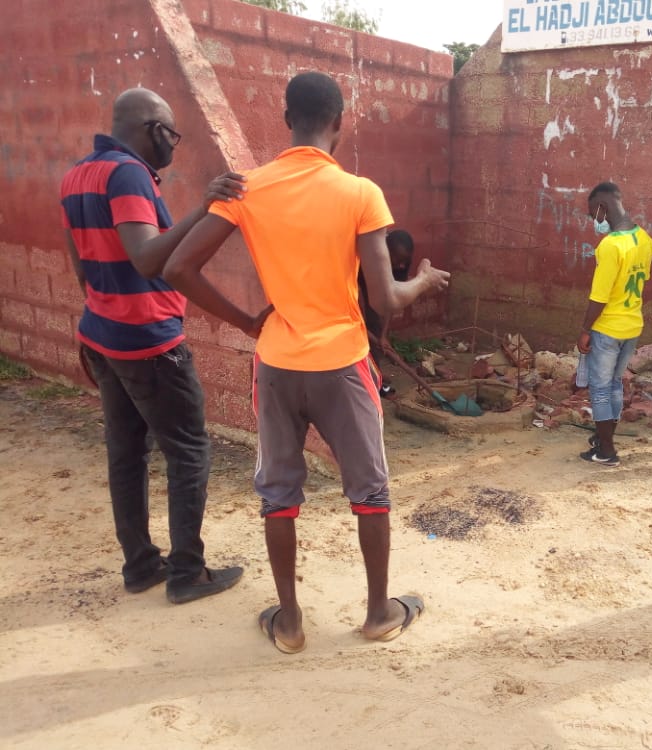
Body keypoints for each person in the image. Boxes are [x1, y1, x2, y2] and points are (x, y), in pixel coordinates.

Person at [164, 71, 450, 652]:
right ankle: (377, 614)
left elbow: (177, 269)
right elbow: (384, 298)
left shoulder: (247, 189)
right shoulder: (360, 193)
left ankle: (290, 623)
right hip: (342, 363)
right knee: (369, 489)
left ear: (286, 119)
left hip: (276, 364)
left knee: (280, 493)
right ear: (338, 125)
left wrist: (248, 322)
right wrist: (420, 281)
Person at [59, 88, 250, 603]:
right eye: (172, 134)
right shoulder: (128, 174)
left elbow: (80, 265)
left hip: (103, 335)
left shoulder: (79, 173)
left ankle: (141, 565)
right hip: (147, 341)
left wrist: (103, 312)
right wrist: (204, 208)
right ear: (151, 129)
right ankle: (188, 573)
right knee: (189, 451)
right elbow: (147, 259)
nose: (173, 146)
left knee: (126, 453)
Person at [577, 182, 652, 467]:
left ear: (603, 207)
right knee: (614, 386)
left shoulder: (610, 246)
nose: (594, 221)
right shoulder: (645, 239)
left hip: (607, 328)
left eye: (593, 214)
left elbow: (599, 296)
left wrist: (585, 330)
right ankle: (603, 438)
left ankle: (606, 450)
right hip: (632, 326)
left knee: (599, 389)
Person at [358, 228, 414, 396]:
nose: (401, 264)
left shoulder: (402, 263)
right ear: (384, 249)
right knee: (355, 336)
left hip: (375, 287)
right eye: (397, 258)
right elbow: (357, 289)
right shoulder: (368, 250)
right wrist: (358, 319)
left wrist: (383, 335)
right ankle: (360, 383)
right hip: (353, 285)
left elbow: (391, 299)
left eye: (404, 261)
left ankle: (375, 382)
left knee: (374, 331)